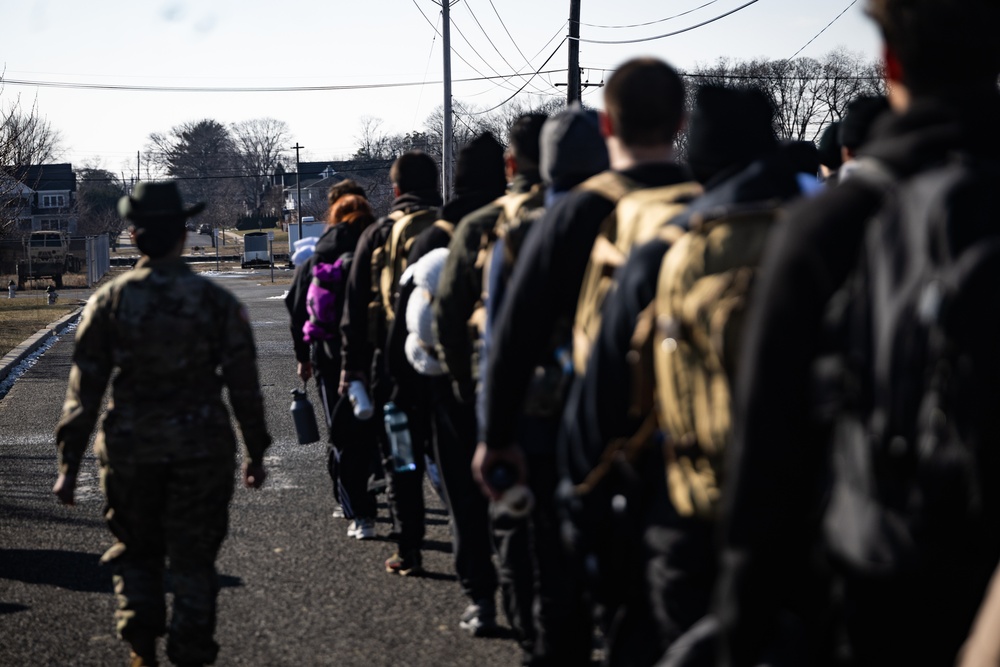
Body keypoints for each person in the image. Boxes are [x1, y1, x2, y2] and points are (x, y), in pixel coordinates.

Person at [715, 1, 1000, 665]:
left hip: (887, 591)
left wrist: (742, 625)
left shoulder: (832, 224)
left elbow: (764, 460)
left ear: (891, 62)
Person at [473, 57, 693, 665]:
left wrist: (495, 436)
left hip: (568, 438)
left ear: (610, 128)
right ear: (680, 121)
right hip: (677, 437)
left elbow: (511, 337)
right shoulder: (703, 204)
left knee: (561, 593)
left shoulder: (568, 215)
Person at [53, 180, 271, 667]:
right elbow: (244, 387)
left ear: (132, 235)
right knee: (194, 560)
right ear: (183, 234)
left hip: (131, 450)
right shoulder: (215, 303)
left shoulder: (110, 301)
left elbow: (85, 389)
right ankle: (192, 653)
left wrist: (68, 464)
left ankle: (141, 649)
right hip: (202, 448)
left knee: (137, 552)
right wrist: (255, 451)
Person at [340, 150, 442, 576]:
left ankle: (409, 550)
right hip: (445, 365)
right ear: (435, 184)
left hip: (392, 369)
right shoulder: (450, 228)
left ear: (396, 189)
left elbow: (355, 308)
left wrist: (353, 367)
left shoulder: (377, 233)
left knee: (401, 459)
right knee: (451, 455)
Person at [285, 187, 378, 538]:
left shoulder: (318, 255)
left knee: (342, 434)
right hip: (376, 354)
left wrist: (301, 356)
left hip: (329, 356)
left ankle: (357, 510)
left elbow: (296, 308)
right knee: (382, 429)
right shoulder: (377, 249)